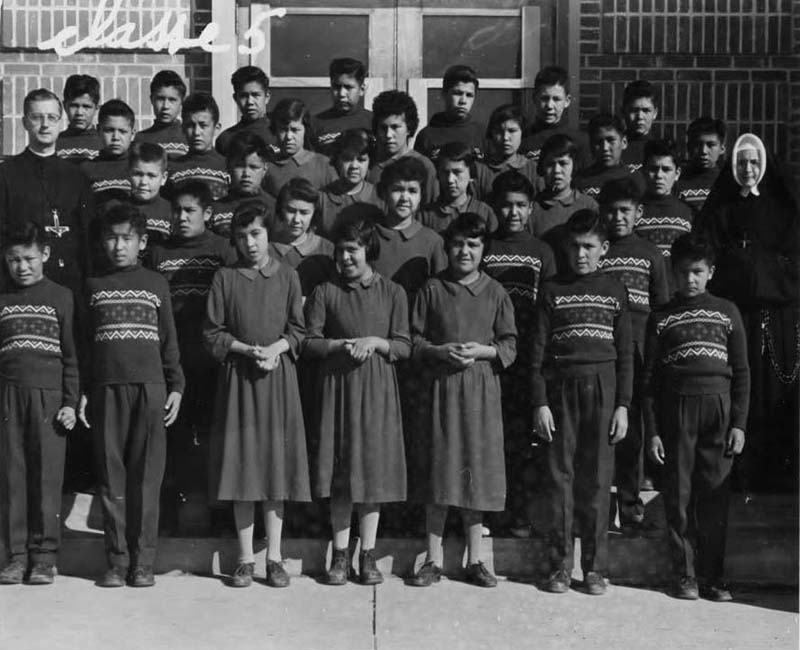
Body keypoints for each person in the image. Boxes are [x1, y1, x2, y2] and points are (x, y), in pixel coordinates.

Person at [203, 201, 310, 588]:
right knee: (243, 465)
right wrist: (247, 350)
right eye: (243, 236)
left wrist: (276, 350)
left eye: (257, 233)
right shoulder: (225, 279)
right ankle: (246, 558)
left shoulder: (287, 276)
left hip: (278, 380)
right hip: (240, 380)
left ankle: (275, 558)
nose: (250, 242)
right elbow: (212, 332)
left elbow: (299, 331)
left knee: (274, 467)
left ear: (269, 234)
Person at [407, 213, 517, 588]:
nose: (464, 251)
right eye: (457, 244)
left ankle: (476, 559)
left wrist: (484, 351)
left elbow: (509, 344)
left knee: (476, 471)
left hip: (480, 393)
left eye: (472, 245)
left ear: (483, 249)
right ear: (447, 248)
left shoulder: (495, 292)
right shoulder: (432, 290)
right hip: (442, 390)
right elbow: (414, 341)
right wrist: (440, 351)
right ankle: (433, 559)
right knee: (441, 468)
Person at [80, 203, 184, 588]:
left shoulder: (156, 283)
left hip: (150, 388)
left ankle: (143, 561)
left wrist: (176, 386)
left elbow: (169, 341)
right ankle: (116, 560)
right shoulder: (92, 285)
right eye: (111, 237)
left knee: (147, 478)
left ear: (141, 242)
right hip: (107, 389)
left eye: (127, 238)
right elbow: (86, 346)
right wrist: (86, 391)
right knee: (111, 478)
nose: (118, 246)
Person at [304, 216, 410, 585]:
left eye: (353, 250)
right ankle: (340, 554)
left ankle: (368, 554)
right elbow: (309, 342)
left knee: (371, 472)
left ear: (369, 251)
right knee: (341, 474)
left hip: (377, 390)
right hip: (338, 388)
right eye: (340, 250)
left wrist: (376, 343)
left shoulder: (392, 292)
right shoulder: (324, 292)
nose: (345, 257)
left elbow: (404, 345)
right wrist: (338, 345)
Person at [644, 232, 750, 601]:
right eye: (684, 272)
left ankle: (714, 576)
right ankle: (685, 575)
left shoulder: (727, 311)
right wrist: (654, 432)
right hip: (677, 409)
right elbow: (650, 383)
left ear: (711, 273)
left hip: (718, 412)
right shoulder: (661, 317)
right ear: (674, 273)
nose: (690, 279)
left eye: (698, 272)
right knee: (679, 494)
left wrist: (738, 423)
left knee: (715, 497)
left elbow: (742, 372)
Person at [531, 209, 632, 596]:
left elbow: (625, 355)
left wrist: (623, 404)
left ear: (603, 248)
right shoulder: (552, 289)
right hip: (560, 390)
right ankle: (559, 566)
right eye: (575, 246)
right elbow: (537, 355)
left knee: (597, 480)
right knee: (561, 479)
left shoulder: (614, 290)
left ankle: (594, 568)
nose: (581, 254)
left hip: (603, 389)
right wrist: (540, 402)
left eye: (589, 246)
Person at [698, 133, 799, 493]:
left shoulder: (784, 208)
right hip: (736, 316)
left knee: (773, 391)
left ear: (765, 165)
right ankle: (739, 474)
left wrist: (756, 270)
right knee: (742, 389)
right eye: (742, 162)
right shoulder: (720, 208)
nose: (749, 168)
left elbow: (793, 262)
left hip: (776, 320)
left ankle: (776, 474)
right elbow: (709, 258)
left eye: (755, 162)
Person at [148, 180, 236, 534]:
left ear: (207, 214)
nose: (181, 218)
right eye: (176, 211)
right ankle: (171, 514)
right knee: (173, 437)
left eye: (190, 211)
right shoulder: (158, 252)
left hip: (212, 361)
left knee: (216, 437)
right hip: (172, 360)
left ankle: (221, 516)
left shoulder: (222, 250)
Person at [0, 221, 78, 585]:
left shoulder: (62, 296)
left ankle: (44, 557)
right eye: (14, 260)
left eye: (29, 258)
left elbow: (71, 356)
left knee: (47, 477)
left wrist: (70, 401)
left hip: (49, 400)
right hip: (9, 399)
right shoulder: (2, 297)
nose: (22, 267)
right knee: (13, 478)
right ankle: (15, 556)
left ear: (45, 254)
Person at [481, 171, 555, 537]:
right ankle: (491, 513)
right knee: (491, 437)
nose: (513, 212)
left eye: (521, 206)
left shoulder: (541, 252)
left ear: (530, 209)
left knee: (523, 442)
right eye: (507, 205)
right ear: (495, 206)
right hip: (491, 359)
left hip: (528, 359)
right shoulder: (486, 248)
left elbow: (549, 307)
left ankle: (521, 513)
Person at [596, 178, 669, 536]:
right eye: (611, 211)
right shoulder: (597, 250)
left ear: (638, 213)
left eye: (625, 210)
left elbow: (661, 308)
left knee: (632, 433)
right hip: (601, 351)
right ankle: (595, 511)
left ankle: (630, 509)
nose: (618, 217)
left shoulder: (651, 253)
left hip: (638, 354)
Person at [0, 88, 94, 295]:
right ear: (25, 122)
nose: (45, 124)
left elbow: (87, 238)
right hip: (20, 287)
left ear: (60, 122)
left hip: (71, 285)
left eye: (51, 117)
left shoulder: (77, 176)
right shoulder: (6, 174)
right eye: (37, 117)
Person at [373, 157, 447, 303]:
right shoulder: (369, 235)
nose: (405, 198)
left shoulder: (432, 241)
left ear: (421, 196)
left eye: (412, 191)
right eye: (397, 189)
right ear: (384, 193)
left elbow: (440, 297)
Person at [530, 134, 598, 275]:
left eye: (563, 163)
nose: (556, 171)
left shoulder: (588, 205)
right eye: (550, 164)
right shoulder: (533, 208)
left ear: (574, 165)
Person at [635, 139, 694, 292]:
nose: (659, 175)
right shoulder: (632, 212)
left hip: (677, 295)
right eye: (653, 169)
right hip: (642, 294)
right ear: (643, 171)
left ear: (677, 173)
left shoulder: (688, 212)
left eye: (666, 169)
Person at [367, 90, 439, 205]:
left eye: (395, 127)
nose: (388, 135)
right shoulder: (368, 164)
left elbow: (430, 211)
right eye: (383, 128)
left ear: (409, 128)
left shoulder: (425, 166)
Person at [269, 178, 335, 298]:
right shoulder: (267, 248)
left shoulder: (327, 249)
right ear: (280, 210)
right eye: (291, 211)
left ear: (314, 213)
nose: (297, 220)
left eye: (304, 213)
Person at [519, 66, 591, 168]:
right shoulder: (523, 138)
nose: (549, 106)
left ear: (567, 101)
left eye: (556, 99)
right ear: (534, 98)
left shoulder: (580, 141)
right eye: (544, 98)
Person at [318, 128, 383, 239]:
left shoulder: (379, 197)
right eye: (347, 159)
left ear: (369, 162)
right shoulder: (322, 198)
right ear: (337, 160)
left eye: (361, 160)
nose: (354, 166)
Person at [419, 141, 497, 234]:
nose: (450, 180)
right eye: (445, 172)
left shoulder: (485, 212)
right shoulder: (425, 215)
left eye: (457, 172)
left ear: (471, 175)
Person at [264, 99, 337, 197]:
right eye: (283, 130)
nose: (289, 137)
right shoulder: (267, 166)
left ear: (305, 130)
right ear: (275, 130)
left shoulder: (324, 165)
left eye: (295, 130)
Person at [209, 131, 275, 238]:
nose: (246, 174)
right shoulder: (215, 210)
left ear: (265, 169)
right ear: (228, 167)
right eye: (239, 166)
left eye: (253, 167)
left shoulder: (274, 209)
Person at [413, 65, 484, 161]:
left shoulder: (481, 133)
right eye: (457, 93)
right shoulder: (427, 136)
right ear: (444, 94)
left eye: (469, 95)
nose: (463, 101)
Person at [167, 92, 230, 201]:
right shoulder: (172, 169)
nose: (197, 132)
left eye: (203, 125)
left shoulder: (227, 167)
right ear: (183, 128)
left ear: (216, 128)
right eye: (191, 126)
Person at [474, 104, 539, 201]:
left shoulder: (533, 169)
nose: (505, 138)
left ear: (522, 133)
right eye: (499, 132)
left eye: (512, 131)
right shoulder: (479, 169)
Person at [79, 99, 136, 207]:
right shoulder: (86, 169)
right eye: (109, 130)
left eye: (122, 131)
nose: (116, 138)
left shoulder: (139, 167)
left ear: (132, 134)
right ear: (98, 130)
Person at [312, 57, 373, 157]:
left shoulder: (374, 122)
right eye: (336, 87)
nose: (341, 93)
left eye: (348, 87)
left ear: (362, 89)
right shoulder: (315, 124)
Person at [575, 114, 643, 199]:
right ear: (591, 145)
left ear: (624, 142)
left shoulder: (635, 179)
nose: (605, 148)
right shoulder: (580, 180)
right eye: (598, 142)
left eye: (611, 140)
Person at [215, 65, 277, 157]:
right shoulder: (226, 139)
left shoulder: (278, 134)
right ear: (236, 98)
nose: (250, 102)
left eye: (255, 95)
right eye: (243, 96)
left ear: (267, 97)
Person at [675, 117, 727, 216]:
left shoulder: (727, 183)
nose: (703, 151)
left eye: (711, 145)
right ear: (688, 147)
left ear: (722, 148)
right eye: (698, 145)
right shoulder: (675, 181)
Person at [133, 70, 188, 160]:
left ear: (182, 101)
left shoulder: (187, 137)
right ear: (152, 99)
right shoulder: (141, 139)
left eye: (172, 100)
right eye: (160, 99)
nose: (165, 106)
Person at [57, 74, 102, 163]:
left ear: (96, 108)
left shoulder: (105, 144)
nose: (79, 113)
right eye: (74, 106)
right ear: (65, 106)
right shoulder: (54, 143)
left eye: (86, 107)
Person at [620, 80, 660, 173]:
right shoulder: (614, 149)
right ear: (623, 112)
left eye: (646, 111)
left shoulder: (661, 151)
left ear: (655, 113)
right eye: (634, 110)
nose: (640, 117)